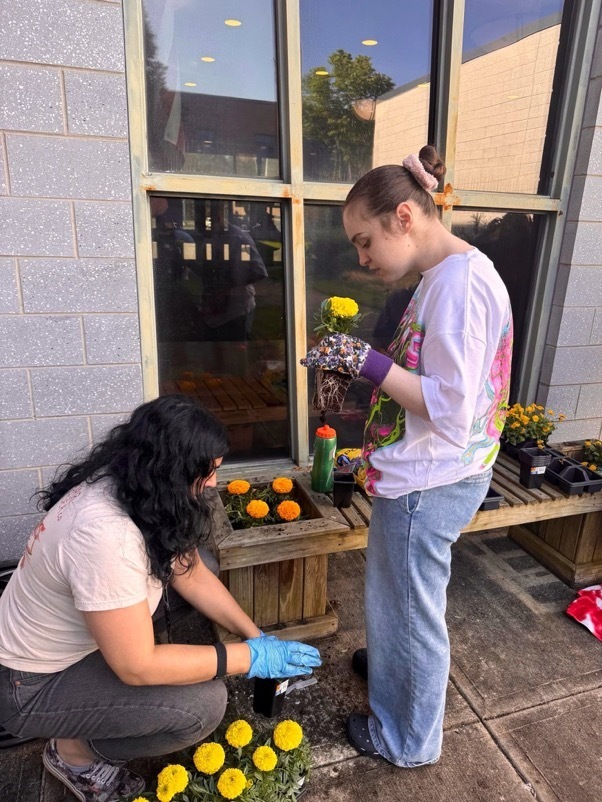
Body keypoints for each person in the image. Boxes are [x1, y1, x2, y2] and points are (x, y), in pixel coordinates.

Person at [302, 145, 512, 768]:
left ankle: (406, 740)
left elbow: (448, 408)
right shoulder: (446, 277)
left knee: (412, 613)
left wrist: (365, 362)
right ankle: (396, 671)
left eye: (364, 241)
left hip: (431, 481)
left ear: (403, 216)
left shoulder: (460, 287)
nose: (362, 258)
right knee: (398, 603)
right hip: (431, 473)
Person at [0, 395, 321, 801]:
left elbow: (193, 574)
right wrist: (249, 659)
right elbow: (137, 666)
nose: (214, 483)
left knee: (200, 559)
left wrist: (254, 634)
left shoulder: (132, 483)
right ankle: (73, 753)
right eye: (207, 473)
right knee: (202, 705)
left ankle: (106, 707)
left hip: (70, 640)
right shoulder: (106, 537)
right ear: (171, 470)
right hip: (28, 684)